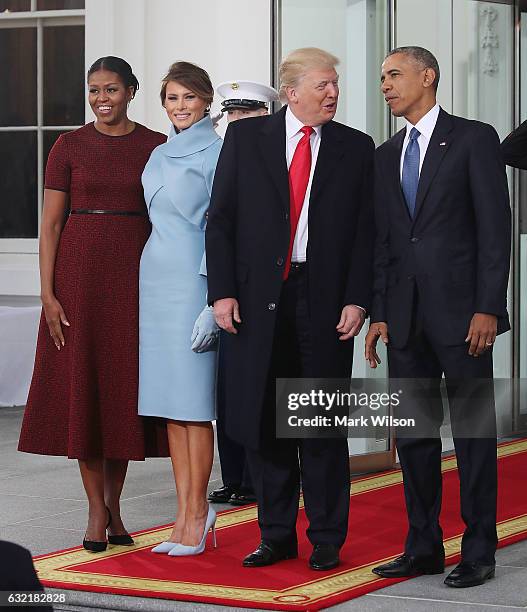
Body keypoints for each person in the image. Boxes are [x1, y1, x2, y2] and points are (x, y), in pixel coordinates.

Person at [206, 47, 374, 571]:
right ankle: (275, 535)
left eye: (335, 85)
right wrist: (223, 292)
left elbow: (366, 233)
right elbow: (222, 220)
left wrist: (357, 297)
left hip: (323, 301)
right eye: (323, 85)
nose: (333, 93)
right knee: (266, 423)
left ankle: (326, 536)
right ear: (292, 91)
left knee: (319, 422)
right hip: (258, 302)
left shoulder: (355, 146)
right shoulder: (246, 138)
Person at [365, 46, 511, 588]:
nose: (385, 85)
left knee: (473, 436)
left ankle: (479, 550)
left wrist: (488, 307)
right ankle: (423, 545)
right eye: (382, 77)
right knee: (416, 437)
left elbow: (495, 231)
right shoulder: (386, 155)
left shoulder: (474, 138)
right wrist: (380, 314)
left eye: (395, 75)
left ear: (428, 77)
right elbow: (384, 242)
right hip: (404, 320)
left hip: (465, 317)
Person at [18, 56, 168, 553]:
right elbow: (51, 225)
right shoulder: (69, 145)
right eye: (94, 90)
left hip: (133, 278)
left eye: (112, 90)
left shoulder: (155, 146)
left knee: (120, 398)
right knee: (86, 393)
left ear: (131, 91)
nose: (102, 99)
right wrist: (47, 292)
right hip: (78, 278)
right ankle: (95, 512)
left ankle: (116, 509)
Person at [139, 62, 222, 557]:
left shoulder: (221, 150)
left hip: (195, 283)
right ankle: (182, 514)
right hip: (155, 283)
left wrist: (214, 298)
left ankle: (198, 513)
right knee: (172, 408)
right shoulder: (157, 152)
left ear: (207, 100)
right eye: (172, 98)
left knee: (195, 408)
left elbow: (222, 224)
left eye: (189, 97)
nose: (180, 106)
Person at [208, 79, 279, 507]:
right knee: (230, 390)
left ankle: (257, 478)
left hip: (267, 286)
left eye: (246, 113)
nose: (236, 121)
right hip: (230, 285)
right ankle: (235, 475)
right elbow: (217, 225)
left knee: (261, 389)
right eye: (231, 113)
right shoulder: (227, 152)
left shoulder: (276, 153)